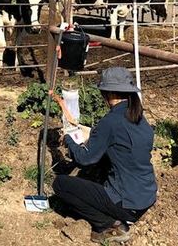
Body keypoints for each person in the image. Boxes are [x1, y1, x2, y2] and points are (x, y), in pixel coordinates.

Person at [49, 67, 157, 244]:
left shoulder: (111, 121)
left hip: (127, 203)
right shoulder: (138, 116)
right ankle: (117, 212)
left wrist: (69, 139)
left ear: (108, 93)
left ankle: (110, 225)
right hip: (146, 196)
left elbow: (85, 159)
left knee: (61, 184)